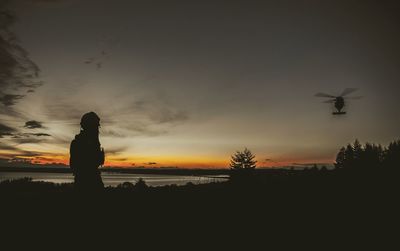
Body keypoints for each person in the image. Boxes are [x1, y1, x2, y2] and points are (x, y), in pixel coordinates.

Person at [70, 112, 105, 191]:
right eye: (95, 126)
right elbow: (76, 166)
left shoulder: (90, 142)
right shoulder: (80, 143)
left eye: (97, 126)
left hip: (89, 181)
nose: (97, 130)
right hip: (86, 183)